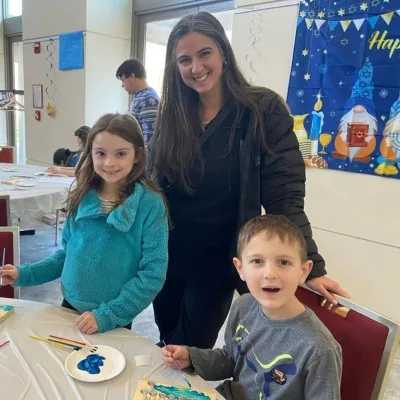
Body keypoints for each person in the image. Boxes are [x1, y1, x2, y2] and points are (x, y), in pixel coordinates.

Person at [149, 12, 349, 348]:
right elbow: (153, 186)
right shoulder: (172, 116)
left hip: (217, 261)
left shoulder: (262, 110)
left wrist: (311, 266)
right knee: (166, 337)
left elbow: (284, 197)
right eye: (184, 60)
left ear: (223, 53)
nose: (195, 67)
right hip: (167, 256)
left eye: (204, 54)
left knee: (191, 348)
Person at [0, 114, 168, 334]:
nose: (109, 163)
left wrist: (107, 316)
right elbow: (65, 255)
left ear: (137, 154)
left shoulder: (150, 204)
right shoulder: (81, 194)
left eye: (120, 154)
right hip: (69, 306)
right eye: (101, 153)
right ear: (90, 153)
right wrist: (25, 274)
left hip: (114, 317)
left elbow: (152, 274)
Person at [162, 215, 342, 400]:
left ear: (303, 271)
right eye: (257, 261)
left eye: (284, 262)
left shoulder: (320, 349)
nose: (270, 274)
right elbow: (230, 359)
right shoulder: (243, 306)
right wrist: (191, 357)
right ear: (240, 268)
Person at [116, 58, 160, 145]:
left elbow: (149, 138)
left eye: (123, 80)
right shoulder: (139, 97)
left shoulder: (148, 99)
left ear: (132, 76)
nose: (122, 85)